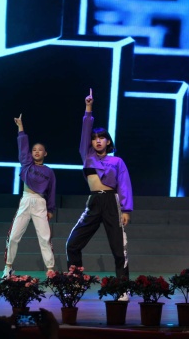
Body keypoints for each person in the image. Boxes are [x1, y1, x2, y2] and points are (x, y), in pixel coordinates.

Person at [66, 89, 133, 300]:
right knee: (72, 244)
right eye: (95, 138)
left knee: (119, 250)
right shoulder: (87, 156)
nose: (97, 141)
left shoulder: (117, 161)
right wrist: (89, 108)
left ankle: (123, 288)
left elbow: (124, 185)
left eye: (102, 138)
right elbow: (85, 132)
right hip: (94, 201)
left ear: (108, 142)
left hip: (112, 202)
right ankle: (75, 283)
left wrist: (126, 210)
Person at [3, 114, 56, 278]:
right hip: (26, 200)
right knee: (13, 236)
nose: (36, 152)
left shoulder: (49, 172)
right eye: (34, 150)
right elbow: (23, 147)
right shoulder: (26, 164)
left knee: (45, 238)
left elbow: (52, 191)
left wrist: (51, 209)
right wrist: (20, 127)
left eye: (40, 150)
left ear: (45, 153)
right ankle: (8, 267)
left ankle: (50, 270)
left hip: (40, 203)